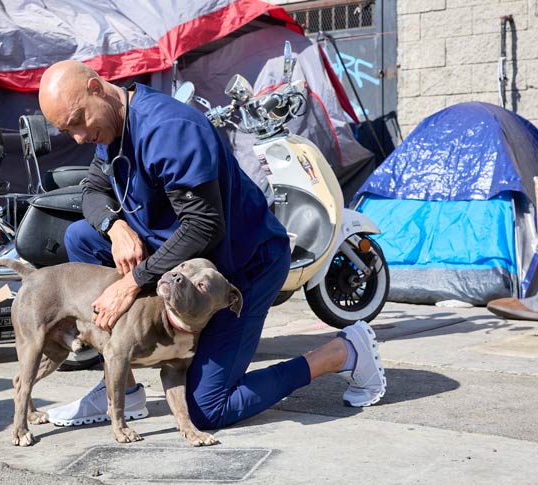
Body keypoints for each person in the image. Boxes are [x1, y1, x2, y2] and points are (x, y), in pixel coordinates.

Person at [38, 60, 386, 430]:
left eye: (78, 121)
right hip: (184, 260)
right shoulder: (112, 128)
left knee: (206, 410)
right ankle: (125, 387)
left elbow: (203, 227)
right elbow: (93, 189)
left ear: (95, 88)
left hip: (241, 265)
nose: (78, 137)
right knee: (83, 238)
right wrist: (114, 225)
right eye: (67, 130)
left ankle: (344, 352)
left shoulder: (168, 130)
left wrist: (131, 282)